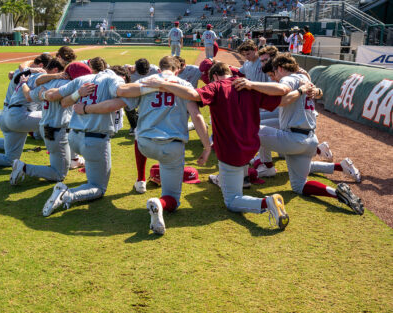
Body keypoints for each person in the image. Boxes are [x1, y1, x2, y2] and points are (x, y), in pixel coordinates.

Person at [142, 62, 313, 230]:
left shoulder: (216, 86)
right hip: (251, 147)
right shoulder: (249, 85)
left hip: (230, 150)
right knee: (236, 174)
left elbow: (193, 94)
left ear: (215, 76)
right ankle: (239, 180)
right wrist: (301, 90)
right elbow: (283, 101)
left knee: (232, 200)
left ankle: (266, 202)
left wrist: (163, 84)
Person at [72, 56, 211, 235]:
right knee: (172, 198)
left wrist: (86, 109)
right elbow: (197, 116)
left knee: (139, 134)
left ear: (159, 70)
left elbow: (117, 104)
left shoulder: (146, 82)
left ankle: (141, 179)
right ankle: (160, 204)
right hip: (171, 145)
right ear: (178, 70)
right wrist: (207, 147)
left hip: (145, 143)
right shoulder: (184, 84)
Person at [252, 54, 364, 215]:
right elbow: (319, 92)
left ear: (281, 68)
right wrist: (315, 90)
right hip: (310, 140)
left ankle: (240, 173)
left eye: (274, 73)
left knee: (249, 129)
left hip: (292, 138)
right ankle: (336, 193)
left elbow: (283, 94)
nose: (274, 77)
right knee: (299, 186)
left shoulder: (289, 78)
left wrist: (251, 85)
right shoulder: (304, 79)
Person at [39, 58, 130, 217]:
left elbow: (63, 102)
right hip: (91, 138)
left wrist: (77, 96)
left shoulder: (82, 80)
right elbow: (113, 103)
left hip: (73, 136)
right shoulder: (112, 81)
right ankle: (67, 194)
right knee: (98, 187)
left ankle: (72, 172)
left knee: (78, 165)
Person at [10, 62, 95, 185]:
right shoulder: (69, 85)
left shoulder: (49, 83)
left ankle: (72, 159)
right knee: (59, 174)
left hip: (47, 127)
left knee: (60, 163)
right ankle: (23, 168)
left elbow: (28, 96)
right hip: (57, 130)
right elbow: (63, 101)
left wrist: (23, 83)